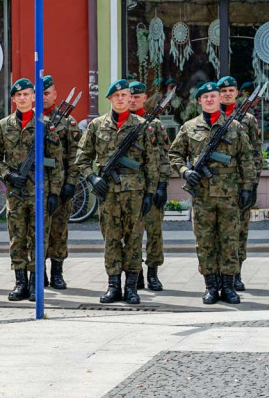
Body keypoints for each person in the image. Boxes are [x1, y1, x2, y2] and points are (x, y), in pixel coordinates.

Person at [168, 81, 255, 305]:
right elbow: (174, 155)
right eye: (205, 97)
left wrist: (247, 188)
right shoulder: (188, 127)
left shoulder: (235, 127)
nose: (209, 100)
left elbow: (246, 160)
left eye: (213, 96)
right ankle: (210, 286)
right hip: (202, 196)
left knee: (229, 240)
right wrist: (186, 172)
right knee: (205, 241)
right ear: (199, 101)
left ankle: (228, 286)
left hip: (229, 195)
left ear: (219, 99)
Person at [74, 79, 159, 305]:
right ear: (110, 99)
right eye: (117, 96)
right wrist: (92, 177)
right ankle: (113, 286)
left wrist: (151, 192)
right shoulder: (96, 126)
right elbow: (81, 158)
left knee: (133, 239)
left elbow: (151, 162)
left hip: (135, 192)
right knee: (111, 239)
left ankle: (131, 287)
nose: (122, 99)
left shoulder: (142, 125)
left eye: (125, 95)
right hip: (108, 192)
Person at [0, 78, 63, 301]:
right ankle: (20, 282)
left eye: (26, 94)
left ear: (34, 97)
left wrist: (54, 193)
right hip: (15, 193)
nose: (22, 98)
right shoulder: (3, 126)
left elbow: (55, 161)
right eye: (18, 95)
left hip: (39, 191)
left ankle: (34, 283)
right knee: (17, 238)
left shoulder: (45, 124)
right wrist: (7, 174)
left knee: (38, 238)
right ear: (13, 99)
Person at [218, 75, 263, 292]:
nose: (227, 94)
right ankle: (218, 274)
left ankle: (236, 273)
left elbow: (256, 153)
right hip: (215, 186)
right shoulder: (209, 117)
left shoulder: (248, 119)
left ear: (237, 93)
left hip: (240, 184)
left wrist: (252, 184)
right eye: (223, 90)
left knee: (240, 231)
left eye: (231, 90)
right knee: (216, 232)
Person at [128, 81, 170, 291]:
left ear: (145, 98)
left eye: (137, 96)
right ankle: (135, 274)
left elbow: (164, 157)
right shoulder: (122, 123)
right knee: (131, 234)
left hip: (152, 188)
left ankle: (153, 272)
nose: (133, 100)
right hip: (129, 189)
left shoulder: (155, 124)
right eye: (130, 96)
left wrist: (162, 185)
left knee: (154, 233)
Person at [44, 75, 82, 289]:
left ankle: (57, 272)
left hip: (61, 187)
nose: (43, 98)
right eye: (39, 94)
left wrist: (71, 183)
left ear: (55, 95)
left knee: (58, 231)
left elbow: (75, 155)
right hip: (37, 187)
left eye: (47, 93)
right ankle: (38, 273)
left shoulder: (68, 122)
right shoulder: (29, 120)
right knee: (36, 232)